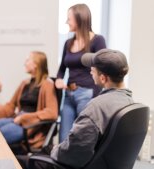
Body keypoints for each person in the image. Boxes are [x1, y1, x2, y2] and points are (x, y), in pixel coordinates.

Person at [19, 49, 131, 169]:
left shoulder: (96, 108)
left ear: (103, 78)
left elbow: (74, 153)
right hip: (102, 163)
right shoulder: (128, 101)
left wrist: (54, 150)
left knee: (20, 160)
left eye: (93, 70)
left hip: (75, 164)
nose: (90, 71)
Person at [0, 51, 58, 148]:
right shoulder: (25, 83)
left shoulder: (48, 85)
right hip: (17, 119)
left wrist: (24, 118)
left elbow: (52, 112)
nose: (25, 63)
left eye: (28, 60)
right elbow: (10, 106)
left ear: (36, 64)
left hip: (30, 126)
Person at [56, 3, 106, 142]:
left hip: (86, 94)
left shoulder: (97, 40)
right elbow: (61, 69)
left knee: (83, 136)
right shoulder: (68, 43)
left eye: (69, 19)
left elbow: (103, 67)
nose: (66, 22)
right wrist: (59, 79)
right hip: (68, 94)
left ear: (80, 19)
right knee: (64, 138)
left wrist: (96, 91)